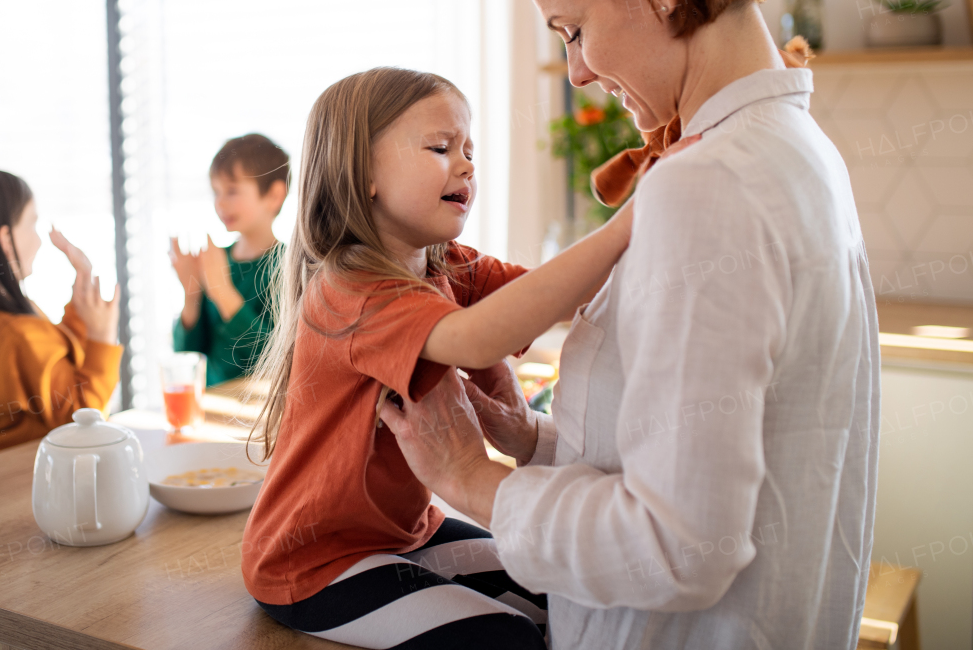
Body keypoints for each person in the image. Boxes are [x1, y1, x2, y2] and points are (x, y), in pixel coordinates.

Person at [378, 0, 880, 650]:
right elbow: (712, 452)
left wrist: (475, 482)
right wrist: (530, 438)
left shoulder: (706, 183)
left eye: (572, 29)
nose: (575, 69)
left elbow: (679, 545)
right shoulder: (796, 150)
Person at [242, 68, 679, 650]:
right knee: (506, 639)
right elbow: (474, 339)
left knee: (567, 600)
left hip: (406, 534)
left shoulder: (445, 262)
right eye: (442, 148)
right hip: (316, 562)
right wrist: (629, 222)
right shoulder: (353, 289)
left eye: (469, 149)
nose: (467, 165)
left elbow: (547, 293)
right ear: (364, 174)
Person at [0, 168, 122, 463]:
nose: (40, 240)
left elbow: (49, 370)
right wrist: (102, 337)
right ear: (5, 239)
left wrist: (81, 307)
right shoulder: (18, 332)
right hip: (17, 485)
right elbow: (83, 420)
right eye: (32, 224)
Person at [170, 133, 289, 386]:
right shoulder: (216, 259)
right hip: (211, 408)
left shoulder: (291, 266)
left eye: (232, 191)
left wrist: (223, 294)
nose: (220, 203)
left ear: (275, 195)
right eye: (216, 191)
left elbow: (278, 360)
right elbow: (187, 358)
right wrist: (191, 296)